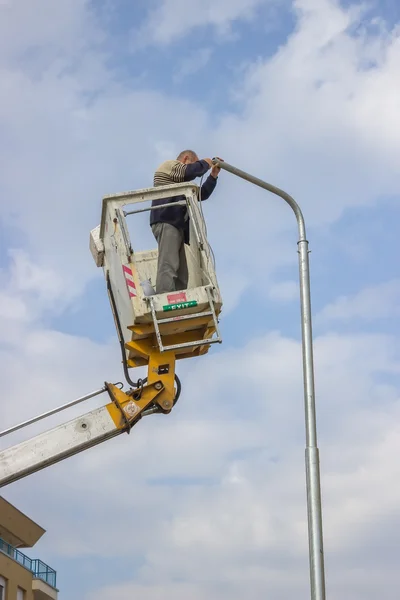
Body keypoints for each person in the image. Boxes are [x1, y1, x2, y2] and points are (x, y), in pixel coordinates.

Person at [150, 150, 222, 294]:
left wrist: (213, 176)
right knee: (169, 263)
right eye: (194, 163)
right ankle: (164, 296)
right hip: (166, 219)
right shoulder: (169, 166)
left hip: (177, 225)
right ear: (186, 158)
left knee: (182, 271)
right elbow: (190, 171)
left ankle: (177, 296)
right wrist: (206, 162)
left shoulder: (181, 183)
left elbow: (201, 194)